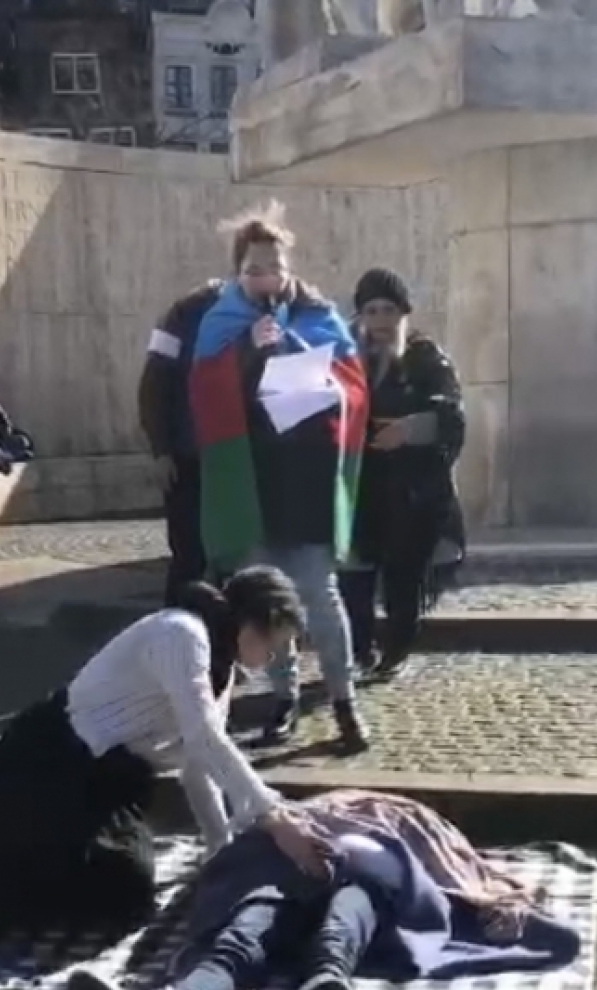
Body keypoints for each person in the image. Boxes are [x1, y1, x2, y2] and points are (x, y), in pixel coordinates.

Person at [0, 567, 333, 967]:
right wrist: (273, 817)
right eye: (272, 645)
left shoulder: (221, 666)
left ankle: (30, 887)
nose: (270, 660)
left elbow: (199, 762)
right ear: (251, 624)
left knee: (126, 892)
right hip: (51, 758)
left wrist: (219, 849)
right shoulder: (181, 634)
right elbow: (205, 738)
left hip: (113, 779)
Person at [66, 788, 581, 990]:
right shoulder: (301, 816)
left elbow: (459, 874)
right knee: (245, 932)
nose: (360, 806)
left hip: (362, 887)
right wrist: (294, 840)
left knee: (339, 924)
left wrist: (507, 907)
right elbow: (256, 834)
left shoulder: (411, 822)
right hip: (287, 876)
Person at [188, 202, 370, 753]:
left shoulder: (319, 315)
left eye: (274, 267)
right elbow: (203, 395)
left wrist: (316, 373)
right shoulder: (220, 323)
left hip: (307, 479)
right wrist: (248, 351)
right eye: (254, 270)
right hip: (252, 483)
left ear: (289, 269)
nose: (266, 278)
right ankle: (283, 698)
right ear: (238, 273)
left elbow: (354, 386)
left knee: (319, 594)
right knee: (268, 600)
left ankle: (344, 701)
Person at [339, 269, 466, 676]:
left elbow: (451, 415)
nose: (380, 321)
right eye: (372, 311)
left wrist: (410, 430)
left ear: (403, 314)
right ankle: (359, 651)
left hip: (411, 490)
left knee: (403, 577)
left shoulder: (426, 358)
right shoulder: (346, 360)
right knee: (353, 576)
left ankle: (395, 650)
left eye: (388, 310)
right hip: (361, 486)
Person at [138, 280, 223, 606]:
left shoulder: (264, 311)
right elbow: (153, 384)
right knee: (189, 554)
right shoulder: (183, 314)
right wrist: (161, 449)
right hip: (189, 458)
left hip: (231, 458)